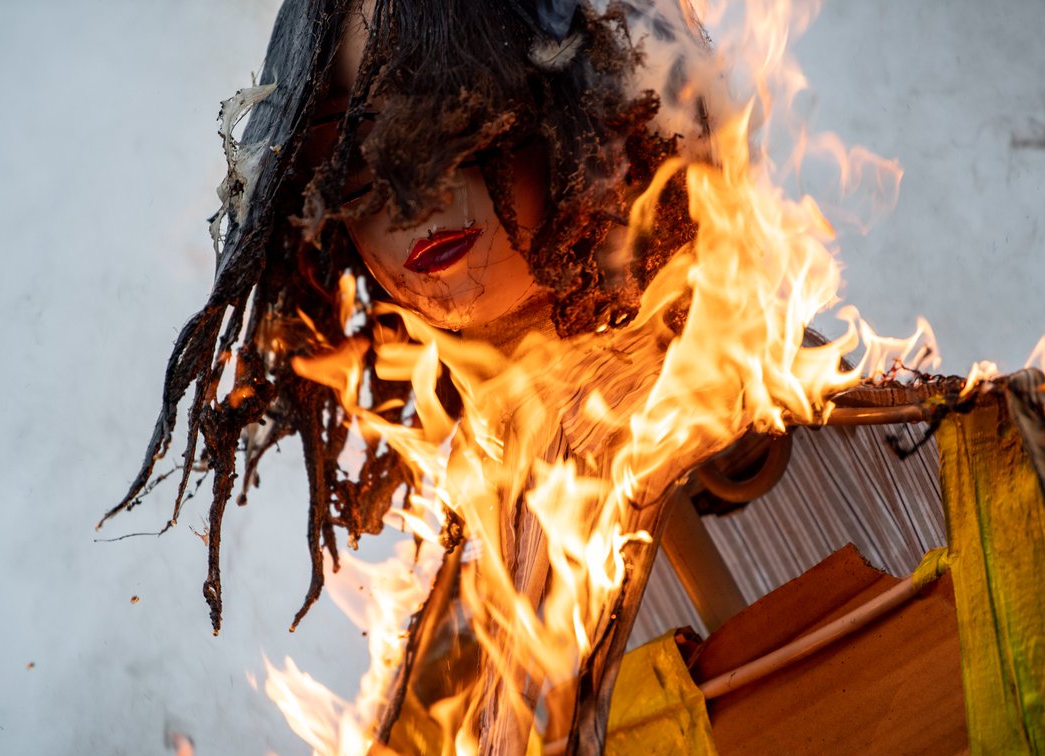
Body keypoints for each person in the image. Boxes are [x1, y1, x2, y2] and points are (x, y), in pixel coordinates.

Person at [103, 0, 713, 637]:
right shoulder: (454, 606)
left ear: (574, 99)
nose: (405, 192)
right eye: (353, 157)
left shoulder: (758, 391)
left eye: (443, 117)